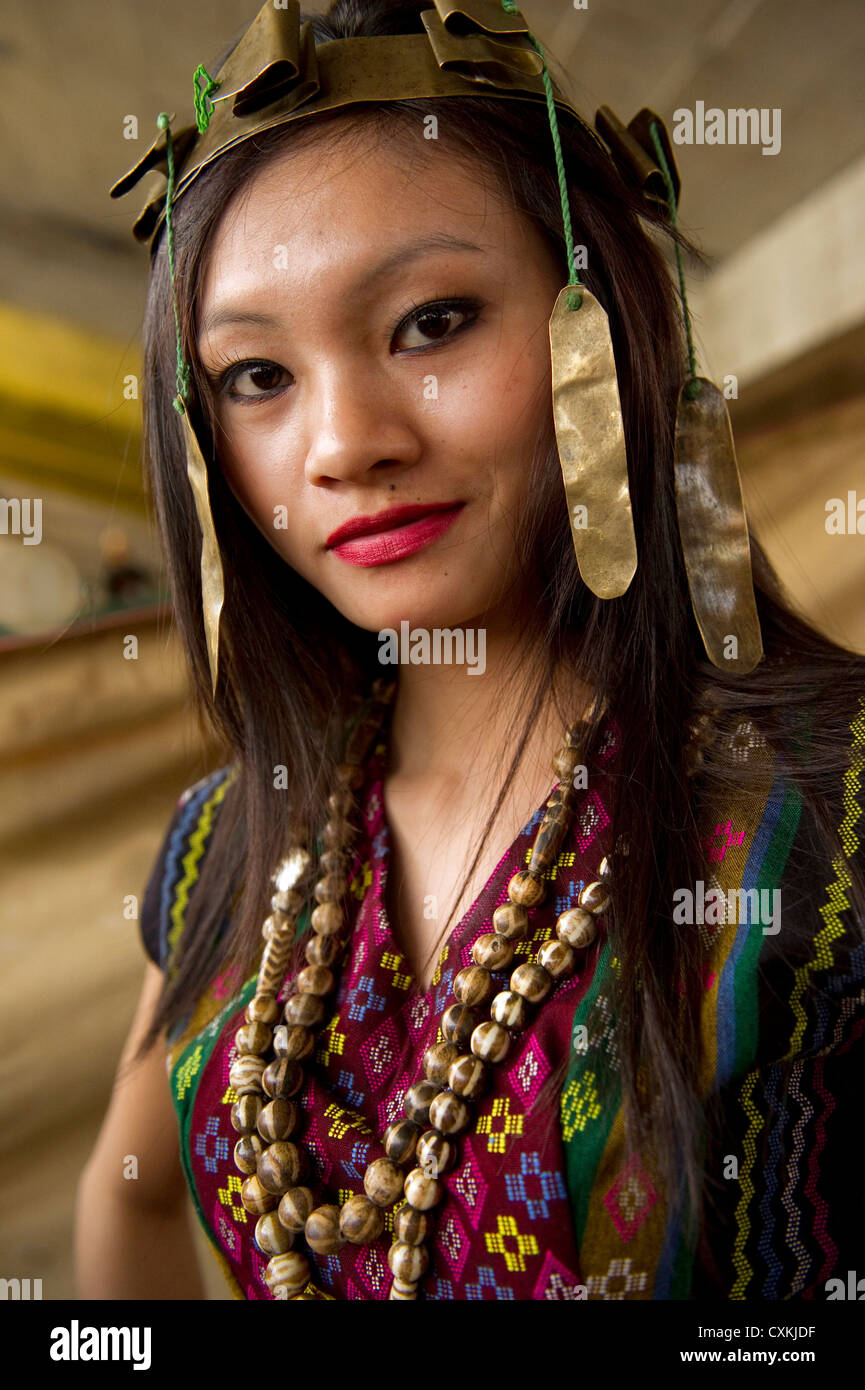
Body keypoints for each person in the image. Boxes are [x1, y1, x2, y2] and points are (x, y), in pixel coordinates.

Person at [75, 0, 865, 1302]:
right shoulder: (229, 838)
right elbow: (135, 1192)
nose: (342, 443)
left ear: (601, 329)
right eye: (256, 377)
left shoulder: (825, 803)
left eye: (431, 322)